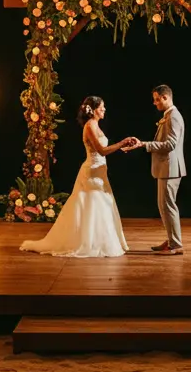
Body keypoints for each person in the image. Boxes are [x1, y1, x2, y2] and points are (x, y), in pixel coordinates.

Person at [20, 96, 131, 257]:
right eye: (101, 107)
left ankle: (97, 241)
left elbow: (104, 149)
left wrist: (122, 146)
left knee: (100, 206)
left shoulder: (96, 125)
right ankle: (87, 242)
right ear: (93, 110)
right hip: (91, 173)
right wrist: (122, 143)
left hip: (99, 172)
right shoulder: (89, 126)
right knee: (92, 205)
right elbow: (101, 151)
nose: (104, 109)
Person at [123, 84, 185, 255]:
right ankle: (172, 240)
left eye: (157, 99)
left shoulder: (174, 116)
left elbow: (171, 144)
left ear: (166, 97)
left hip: (170, 168)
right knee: (163, 206)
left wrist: (144, 144)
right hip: (166, 168)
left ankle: (176, 245)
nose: (155, 103)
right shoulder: (169, 115)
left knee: (168, 206)